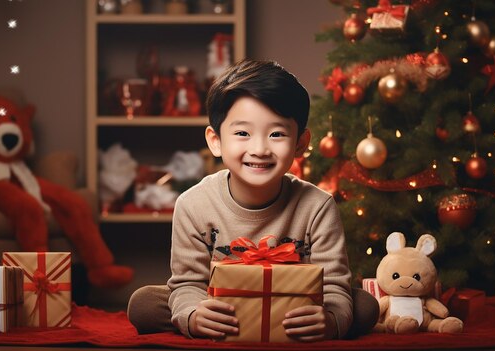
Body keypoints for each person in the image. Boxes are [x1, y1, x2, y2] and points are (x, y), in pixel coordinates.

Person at [127, 59, 379, 341]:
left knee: (365, 306)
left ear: (300, 143)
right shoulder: (193, 204)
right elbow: (188, 282)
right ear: (216, 141)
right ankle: (214, 323)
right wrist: (195, 314)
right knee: (145, 303)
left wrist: (330, 321)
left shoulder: (317, 205)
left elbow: (332, 284)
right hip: (223, 305)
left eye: (276, 134)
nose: (259, 149)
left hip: (292, 308)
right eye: (242, 133)